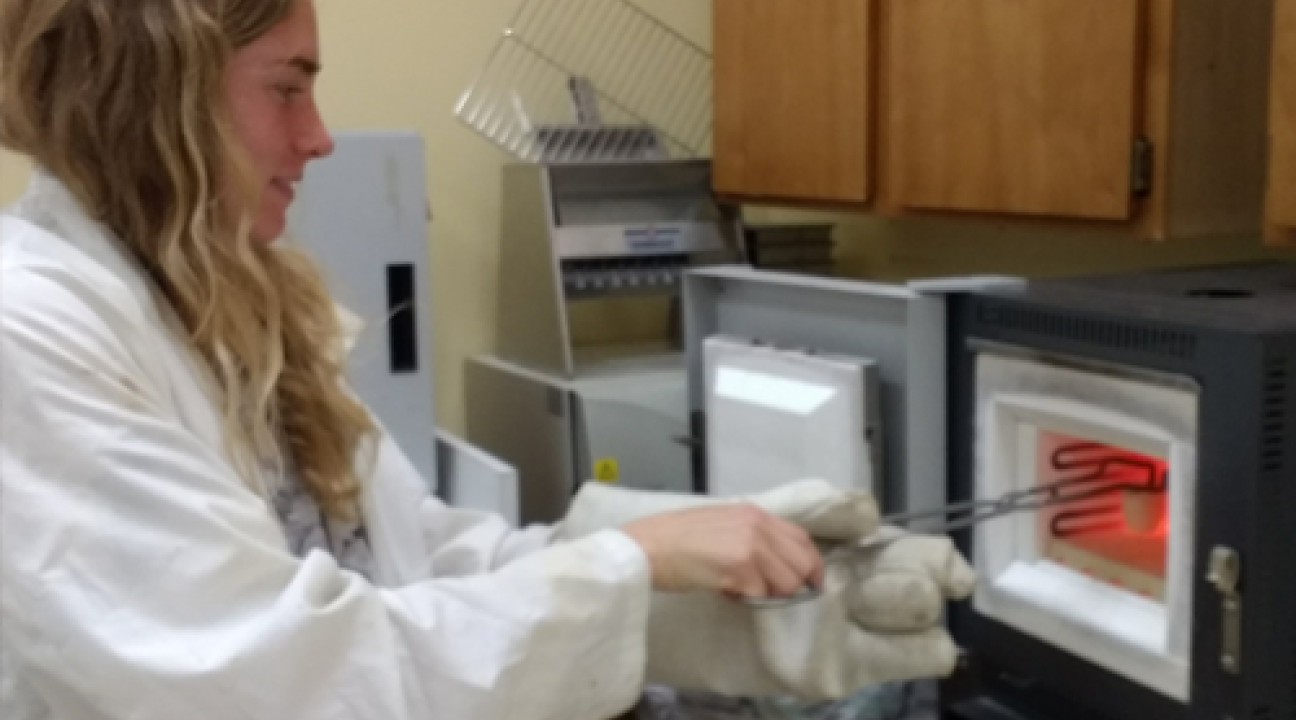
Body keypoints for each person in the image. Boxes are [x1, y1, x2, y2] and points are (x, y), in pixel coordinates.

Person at [0, 1, 975, 719]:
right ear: (147, 97)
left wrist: (704, 603)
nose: (319, 135)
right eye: (287, 87)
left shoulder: (235, 306)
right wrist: (630, 566)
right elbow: (274, 679)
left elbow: (421, 571)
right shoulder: (32, 329)